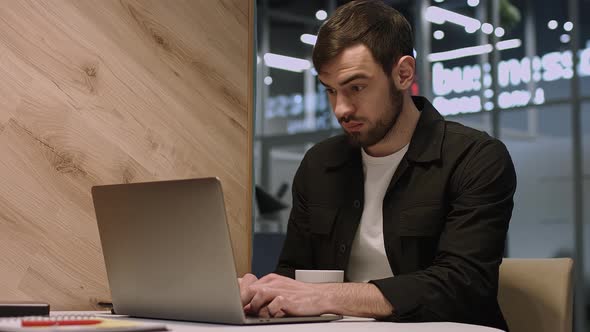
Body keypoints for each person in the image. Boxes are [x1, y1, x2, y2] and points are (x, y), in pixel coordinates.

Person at [240, 1, 516, 330]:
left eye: (356, 88)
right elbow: (293, 275)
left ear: (403, 74)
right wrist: (262, 293)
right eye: (330, 90)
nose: (340, 109)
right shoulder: (319, 164)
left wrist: (327, 296)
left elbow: (462, 285)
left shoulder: (475, 158)